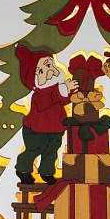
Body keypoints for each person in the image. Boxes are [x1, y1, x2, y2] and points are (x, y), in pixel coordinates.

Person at [15, 44, 78, 185]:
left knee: (51, 152)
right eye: (42, 70)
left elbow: (61, 101)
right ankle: (23, 169)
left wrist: (71, 93)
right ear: (34, 78)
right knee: (35, 149)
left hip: (56, 129)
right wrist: (63, 90)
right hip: (36, 131)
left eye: (49, 65)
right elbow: (46, 102)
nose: (49, 71)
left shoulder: (57, 88)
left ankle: (46, 172)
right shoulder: (39, 95)